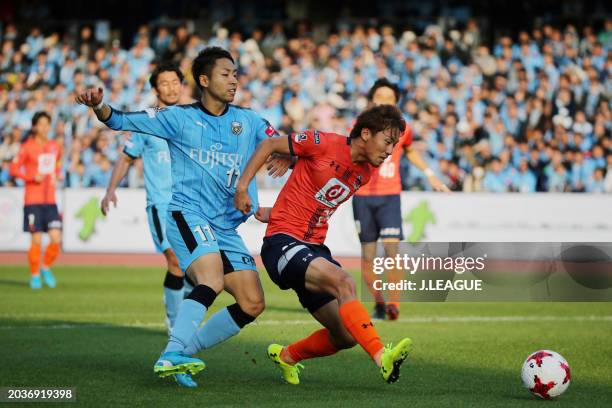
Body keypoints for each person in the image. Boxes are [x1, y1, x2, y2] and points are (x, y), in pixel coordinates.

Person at [76, 47, 290, 388]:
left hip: (225, 226)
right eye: (225, 74)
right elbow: (118, 119)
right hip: (187, 213)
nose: (233, 80)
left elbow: (283, 143)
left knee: (252, 302)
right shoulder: (178, 118)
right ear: (203, 80)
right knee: (211, 280)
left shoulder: (249, 121)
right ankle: (175, 352)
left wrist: (287, 156)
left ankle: (179, 351)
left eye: (235, 74)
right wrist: (97, 104)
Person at [235, 104, 412, 385]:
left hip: (313, 248)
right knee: (344, 282)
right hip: (283, 243)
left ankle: (287, 356)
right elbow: (269, 144)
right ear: (366, 133)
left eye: (394, 144)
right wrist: (243, 187)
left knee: (345, 335)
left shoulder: (364, 174)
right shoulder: (322, 142)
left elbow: (315, 195)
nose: (390, 151)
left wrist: (275, 206)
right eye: (387, 141)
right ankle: (381, 356)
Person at [100, 62, 187, 332]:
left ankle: (182, 310)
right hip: (162, 206)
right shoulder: (145, 122)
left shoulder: (192, 118)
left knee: (197, 269)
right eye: (165, 83)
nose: (171, 87)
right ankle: (175, 324)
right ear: (155, 88)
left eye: (175, 82)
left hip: (193, 206)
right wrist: (110, 190)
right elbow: (126, 158)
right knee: (175, 260)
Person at [353, 78, 450, 320]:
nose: (383, 101)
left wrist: (430, 174)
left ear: (395, 102)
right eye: (379, 97)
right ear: (371, 100)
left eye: (389, 98)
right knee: (367, 255)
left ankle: (393, 305)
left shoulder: (403, 129)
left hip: (389, 196)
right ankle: (377, 303)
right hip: (363, 196)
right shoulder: (361, 125)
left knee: (391, 250)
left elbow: (408, 150)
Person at [10, 112, 62, 289]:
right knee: (37, 239)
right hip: (32, 200)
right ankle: (34, 275)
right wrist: (31, 177)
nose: (45, 128)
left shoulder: (55, 146)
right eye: (41, 124)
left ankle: (45, 267)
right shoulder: (27, 147)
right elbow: (14, 169)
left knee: (56, 238)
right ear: (34, 127)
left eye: (47, 124)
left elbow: (57, 164)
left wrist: (58, 173)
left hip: (51, 200)